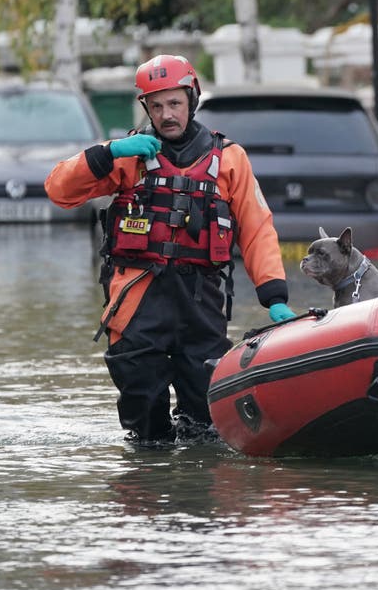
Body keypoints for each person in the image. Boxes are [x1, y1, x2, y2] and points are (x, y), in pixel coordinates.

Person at [45, 54, 295, 445]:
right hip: (137, 301)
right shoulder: (128, 155)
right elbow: (59, 191)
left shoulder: (229, 159)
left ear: (192, 99)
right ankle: (146, 489)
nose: (166, 115)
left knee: (204, 420)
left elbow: (256, 227)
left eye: (174, 103)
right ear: (146, 107)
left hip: (200, 303)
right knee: (144, 418)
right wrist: (107, 152)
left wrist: (273, 293)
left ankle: (195, 494)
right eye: (156, 106)